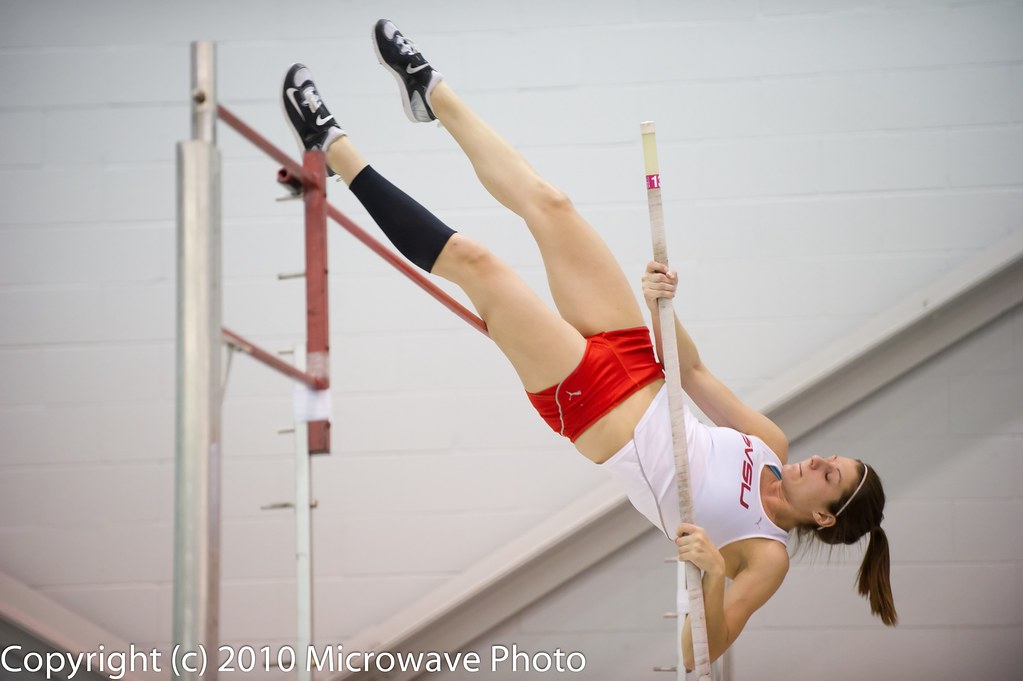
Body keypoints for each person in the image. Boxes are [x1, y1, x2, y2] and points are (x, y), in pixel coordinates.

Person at [281, 19, 898, 669]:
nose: (814, 461)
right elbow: (694, 371)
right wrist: (665, 304)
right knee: (553, 203)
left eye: (826, 475)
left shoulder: (765, 554)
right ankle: (429, 91)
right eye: (829, 457)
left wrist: (714, 574)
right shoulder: (769, 443)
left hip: (597, 408)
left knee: (476, 262)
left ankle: (331, 145)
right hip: (638, 358)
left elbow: (697, 651)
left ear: (824, 517)